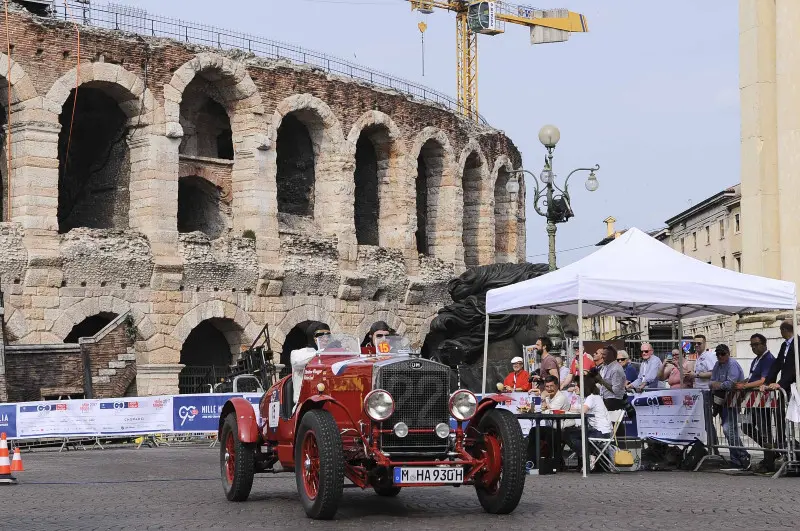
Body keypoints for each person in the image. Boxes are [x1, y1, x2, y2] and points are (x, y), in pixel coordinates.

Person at [737, 333, 775, 472]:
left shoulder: (768, 359)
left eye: (756, 344)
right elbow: (754, 377)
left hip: (763, 400)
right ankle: (772, 452)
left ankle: (769, 460)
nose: (753, 347)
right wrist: (743, 382)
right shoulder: (756, 360)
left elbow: (763, 380)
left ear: (764, 344)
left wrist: (744, 386)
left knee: (765, 430)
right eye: (752, 345)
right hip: (752, 399)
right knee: (746, 425)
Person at [710, 343, 749, 469]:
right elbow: (711, 382)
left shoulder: (732, 364)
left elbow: (731, 383)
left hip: (732, 400)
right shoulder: (717, 364)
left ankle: (743, 455)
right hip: (722, 400)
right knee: (728, 431)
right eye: (718, 354)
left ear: (728, 353)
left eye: (722, 354)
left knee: (729, 429)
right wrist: (718, 384)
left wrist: (718, 385)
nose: (720, 356)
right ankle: (735, 460)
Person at [563, 373, 612, 466]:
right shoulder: (592, 397)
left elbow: (583, 410)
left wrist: (572, 409)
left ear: (583, 386)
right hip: (602, 431)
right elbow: (579, 407)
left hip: (600, 432)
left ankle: (587, 456)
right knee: (570, 432)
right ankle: (588, 454)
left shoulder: (591, 397)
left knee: (569, 434)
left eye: (576, 385)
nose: (574, 388)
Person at [290, 322, 331, 407]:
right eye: (321, 335)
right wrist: (319, 353)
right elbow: (297, 362)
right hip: (304, 405)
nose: (326, 339)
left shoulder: (331, 354)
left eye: (328, 336)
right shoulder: (298, 353)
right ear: (312, 337)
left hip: (329, 401)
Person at [595, 345, 627, 411]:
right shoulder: (606, 367)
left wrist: (601, 380)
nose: (602, 357)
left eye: (604, 354)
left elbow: (616, 390)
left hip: (613, 402)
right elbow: (603, 384)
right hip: (606, 400)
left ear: (611, 356)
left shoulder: (616, 369)